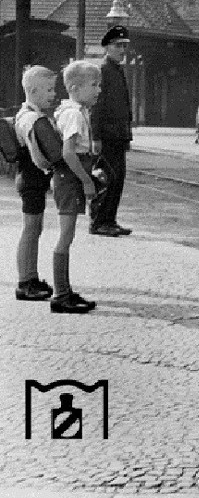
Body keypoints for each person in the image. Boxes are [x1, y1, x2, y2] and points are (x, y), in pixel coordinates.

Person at [51, 59, 102, 313]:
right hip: (70, 179)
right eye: (94, 85)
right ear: (74, 87)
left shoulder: (77, 110)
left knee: (67, 235)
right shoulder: (73, 114)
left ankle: (64, 290)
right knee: (66, 235)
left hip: (70, 178)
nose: (98, 90)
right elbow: (69, 153)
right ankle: (60, 295)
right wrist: (86, 181)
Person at [13, 66, 61, 301]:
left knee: (34, 228)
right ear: (32, 91)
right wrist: (50, 168)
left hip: (31, 179)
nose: (53, 94)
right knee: (31, 230)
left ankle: (30, 277)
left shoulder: (26, 114)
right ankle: (25, 281)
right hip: (31, 179)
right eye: (49, 89)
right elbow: (39, 155)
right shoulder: (33, 119)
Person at [90, 25, 133, 237]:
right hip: (106, 135)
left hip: (118, 135)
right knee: (106, 178)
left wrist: (127, 136)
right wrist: (95, 136)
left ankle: (110, 219)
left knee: (118, 178)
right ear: (107, 47)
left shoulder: (116, 69)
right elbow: (97, 106)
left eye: (125, 46)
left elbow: (123, 107)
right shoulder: (103, 70)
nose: (122, 49)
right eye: (118, 45)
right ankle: (99, 221)